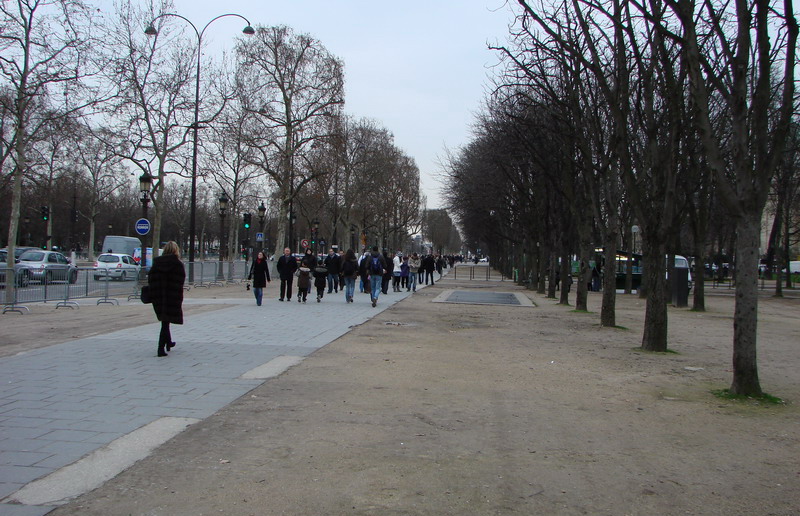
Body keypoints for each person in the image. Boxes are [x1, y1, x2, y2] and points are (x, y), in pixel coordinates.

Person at [147, 241, 185, 357]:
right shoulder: (177, 264)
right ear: (175, 250)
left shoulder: (157, 263)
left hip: (158, 295)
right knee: (165, 322)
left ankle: (168, 342)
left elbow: (151, 279)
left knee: (165, 319)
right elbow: (180, 282)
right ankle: (160, 348)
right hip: (172, 296)